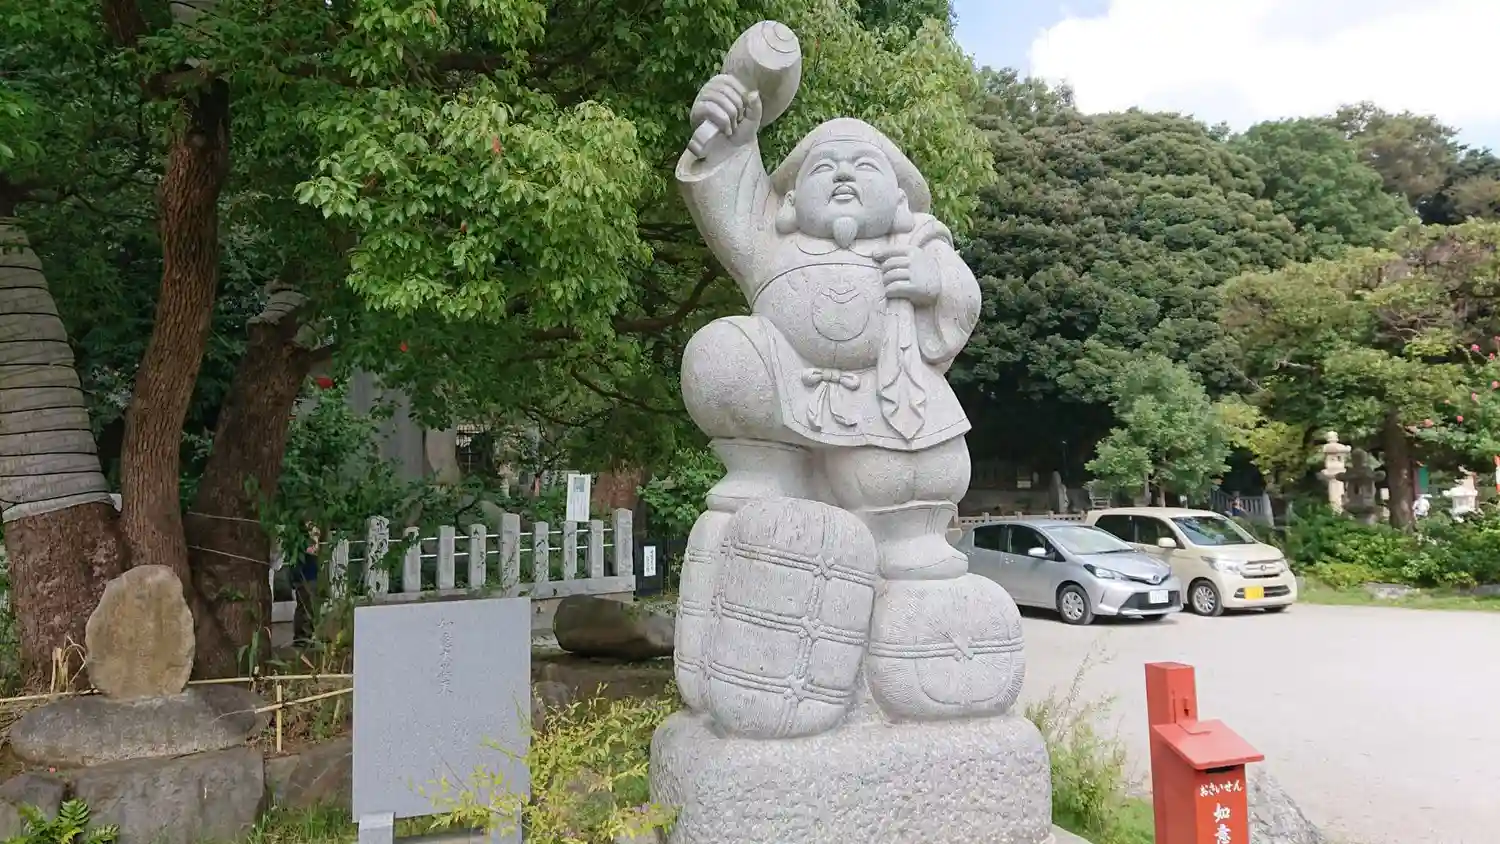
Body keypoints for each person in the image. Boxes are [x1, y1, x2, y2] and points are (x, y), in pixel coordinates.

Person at [290, 523, 321, 644]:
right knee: (305, 605)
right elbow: (313, 551)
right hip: (305, 575)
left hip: (307, 575)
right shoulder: (301, 539)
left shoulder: (299, 536)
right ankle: (303, 635)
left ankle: (303, 634)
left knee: (305, 605)